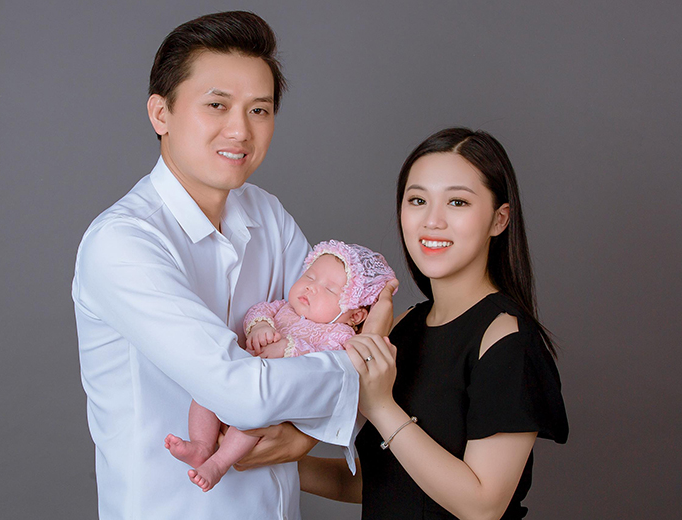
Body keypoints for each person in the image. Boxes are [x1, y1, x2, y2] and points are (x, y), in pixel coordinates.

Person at [72, 12, 394, 519]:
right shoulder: (123, 242)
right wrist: (361, 363)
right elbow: (241, 392)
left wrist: (307, 431)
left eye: (259, 110)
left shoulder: (267, 214)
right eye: (216, 105)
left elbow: (334, 318)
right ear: (161, 113)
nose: (240, 130)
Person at [299, 128, 569, 519]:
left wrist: (380, 405)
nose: (432, 221)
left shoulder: (507, 339)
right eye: (418, 200)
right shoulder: (405, 325)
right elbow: (383, 483)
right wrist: (271, 463)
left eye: (457, 202)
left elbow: (483, 506)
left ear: (499, 219)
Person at [164, 240, 396, 492]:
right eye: (310, 276)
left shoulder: (338, 334)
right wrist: (261, 326)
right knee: (205, 393)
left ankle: (218, 464)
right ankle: (201, 445)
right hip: (243, 374)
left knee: (250, 424)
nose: (311, 287)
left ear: (355, 315)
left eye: (329, 289)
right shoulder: (284, 308)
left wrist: (289, 347)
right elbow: (258, 310)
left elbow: (332, 363)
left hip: (277, 396)